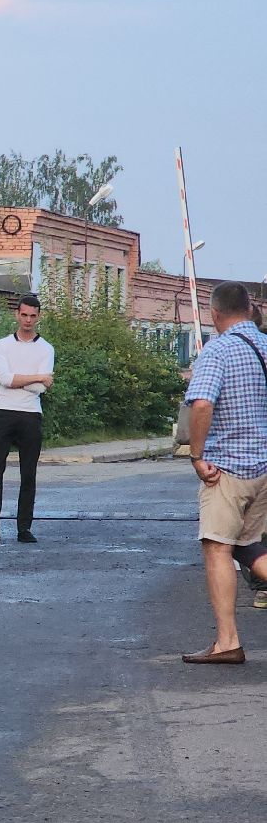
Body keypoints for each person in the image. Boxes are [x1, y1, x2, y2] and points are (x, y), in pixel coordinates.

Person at [181, 282, 267, 665]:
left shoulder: (217, 350)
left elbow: (202, 404)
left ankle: (227, 642)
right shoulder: (265, 346)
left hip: (227, 469)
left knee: (218, 547)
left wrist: (198, 456)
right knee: (251, 547)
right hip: (265, 467)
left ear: (215, 314)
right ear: (249, 308)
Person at [0, 294, 54, 545]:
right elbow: (4, 379)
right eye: (24, 315)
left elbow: (40, 390)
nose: (28, 320)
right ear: (16, 315)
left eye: (33, 315)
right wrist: (37, 377)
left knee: (28, 474)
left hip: (31, 414)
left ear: (38, 317)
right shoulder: (3, 345)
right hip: (4, 412)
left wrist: (26, 381)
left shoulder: (46, 348)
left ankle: (24, 528)